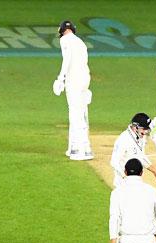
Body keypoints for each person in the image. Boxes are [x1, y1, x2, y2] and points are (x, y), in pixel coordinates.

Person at [52, 20, 93, 161]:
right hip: (85, 78)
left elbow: (67, 59)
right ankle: (82, 148)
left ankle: (79, 149)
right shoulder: (80, 42)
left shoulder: (65, 40)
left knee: (75, 112)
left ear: (62, 31)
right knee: (82, 111)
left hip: (74, 79)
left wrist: (60, 78)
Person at [110, 113, 156, 187]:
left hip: (135, 181)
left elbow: (141, 156)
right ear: (135, 127)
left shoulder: (140, 137)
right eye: (144, 129)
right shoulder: (123, 139)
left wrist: (155, 171)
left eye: (147, 129)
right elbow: (114, 162)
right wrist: (125, 178)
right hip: (122, 184)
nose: (146, 132)